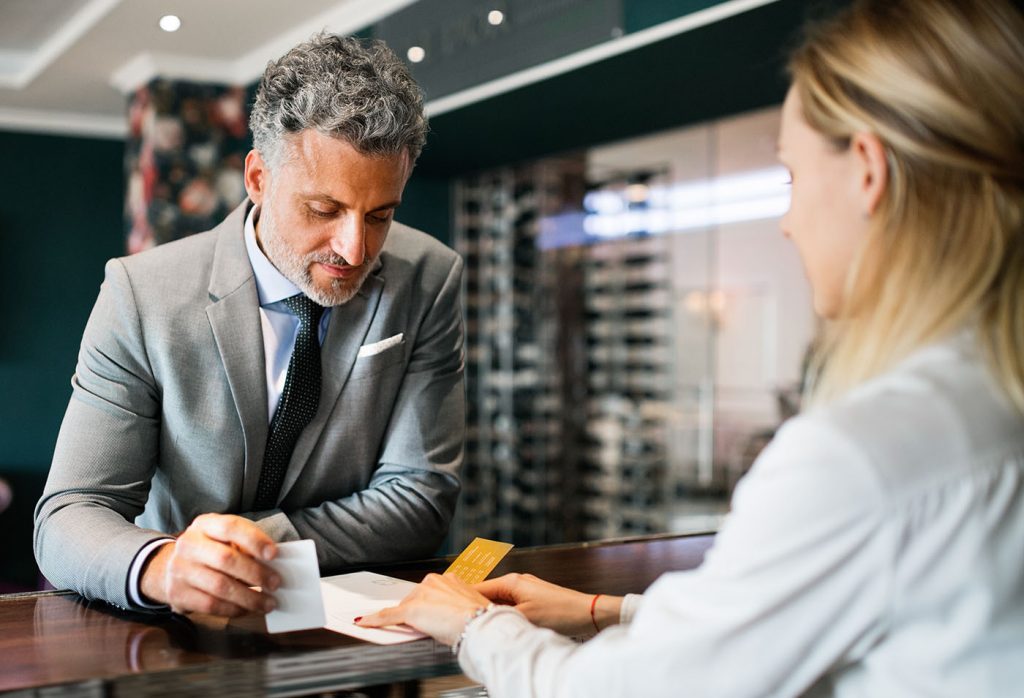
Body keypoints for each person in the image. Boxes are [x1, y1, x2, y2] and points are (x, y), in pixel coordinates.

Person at [357, 0, 1024, 694]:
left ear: (866, 170)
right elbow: (799, 616)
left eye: (791, 179)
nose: (789, 223)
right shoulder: (989, 405)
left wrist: (473, 626)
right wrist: (603, 611)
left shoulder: (858, 457)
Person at [34, 34, 465, 617]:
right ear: (258, 178)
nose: (355, 248)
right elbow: (69, 515)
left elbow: (421, 499)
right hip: (174, 626)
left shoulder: (430, 277)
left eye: (381, 215)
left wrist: (249, 548)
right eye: (324, 210)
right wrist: (163, 565)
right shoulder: (141, 294)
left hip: (354, 623)